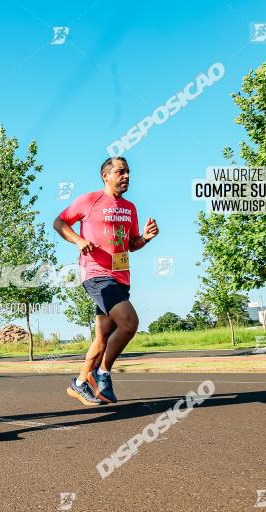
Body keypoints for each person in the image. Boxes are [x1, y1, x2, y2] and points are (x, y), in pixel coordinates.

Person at [53, 156, 159, 405]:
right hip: (97, 275)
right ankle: (103, 374)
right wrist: (78, 241)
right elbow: (59, 222)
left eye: (128, 172)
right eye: (121, 172)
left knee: (103, 338)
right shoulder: (90, 200)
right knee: (130, 323)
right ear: (106, 175)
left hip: (121, 277)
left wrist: (145, 237)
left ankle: (79, 383)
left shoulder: (130, 208)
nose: (127, 176)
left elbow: (132, 244)